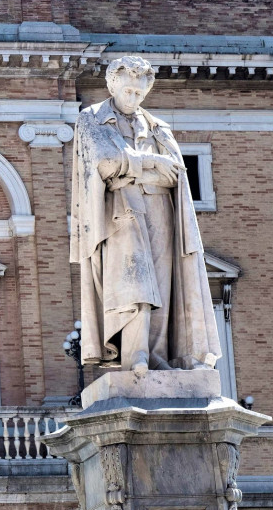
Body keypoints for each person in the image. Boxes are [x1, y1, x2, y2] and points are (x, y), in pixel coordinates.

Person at [70, 55, 222, 375]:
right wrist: (151, 163)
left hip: (160, 210)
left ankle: (156, 355)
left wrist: (132, 170)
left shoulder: (158, 127)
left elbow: (175, 174)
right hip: (120, 213)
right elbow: (104, 162)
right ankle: (135, 354)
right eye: (128, 91)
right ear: (112, 85)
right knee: (134, 282)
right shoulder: (91, 119)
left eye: (139, 93)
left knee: (163, 286)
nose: (134, 98)